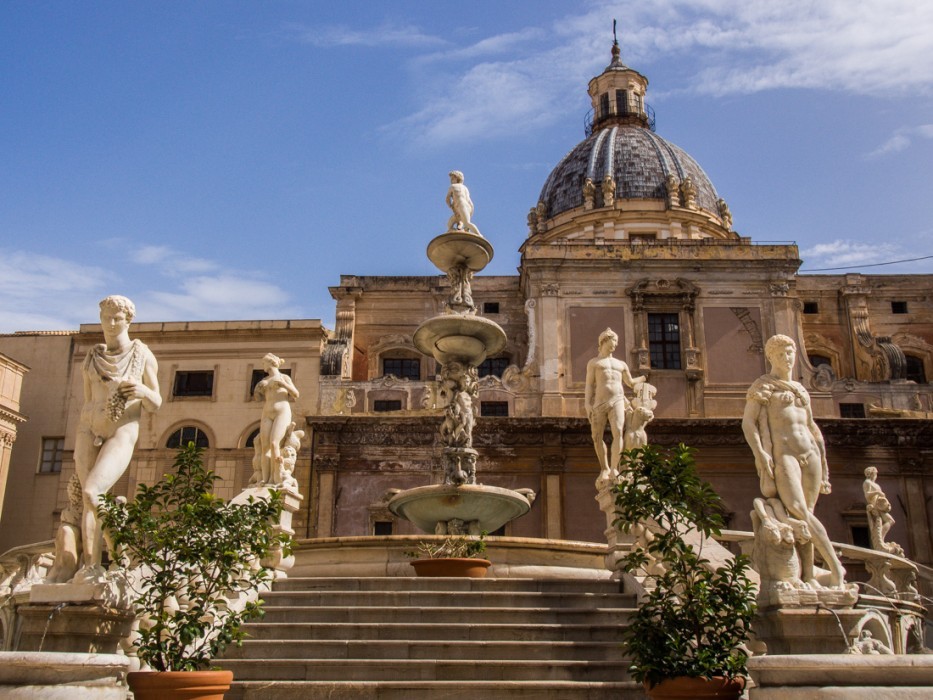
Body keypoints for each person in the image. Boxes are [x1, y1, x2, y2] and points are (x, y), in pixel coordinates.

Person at [742, 334, 846, 588]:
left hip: (810, 453)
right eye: (780, 354)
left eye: (790, 353)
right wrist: (760, 453)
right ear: (770, 357)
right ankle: (835, 567)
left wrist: (824, 461)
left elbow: (811, 426)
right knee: (799, 509)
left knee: (805, 515)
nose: (787, 358)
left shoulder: (800, 388)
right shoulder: (764, 386)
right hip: (784, 453)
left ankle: (808, 573)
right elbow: (748, 422)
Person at [73, 295, 161, 582]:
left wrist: (141, 391)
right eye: (105, 318)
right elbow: (87, 399)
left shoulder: (142, 355)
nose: (110, 324)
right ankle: (91, 567)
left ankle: (120, 548)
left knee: (92, 493)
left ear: (128, 320)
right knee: (90, 499)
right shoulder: (92, 356)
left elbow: (156, 401)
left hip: (122, 430)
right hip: (88, 426)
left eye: (116, 319)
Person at [585, 328, 646, 482]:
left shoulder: (621, 364)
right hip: (599, 403)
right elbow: (589, 385)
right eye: (613, 343)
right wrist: (587, 403)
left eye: (616, 343)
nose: (615, 346)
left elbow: (630, 383)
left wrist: (643, 378)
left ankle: (614, 469)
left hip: (617, 400)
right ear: (604, 341)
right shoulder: (594, 363)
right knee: (596, 437)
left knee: (618, 432)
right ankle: (604, 468)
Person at [254, 353, 300, 485]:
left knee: (274, 443)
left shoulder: (284, 377)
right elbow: (258, 399)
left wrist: (283, 384)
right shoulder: (265, 380)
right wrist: (258, 389)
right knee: (265, 446)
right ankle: (264, 478)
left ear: (270, 363)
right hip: (267, 412)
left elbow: (296, 394)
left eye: (263, 363)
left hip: (282, 411)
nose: (262, 365)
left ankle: (276, 477)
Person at [445, 170, 480, 235]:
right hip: (464, 207)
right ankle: (461, 228)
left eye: (452, 178)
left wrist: (450, 206)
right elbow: (470, 202)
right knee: (449, 225)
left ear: (457, 178)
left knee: (467, 223)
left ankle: (479, 235)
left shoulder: (452, 187)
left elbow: (447, 199)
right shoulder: (465, 188)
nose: (451, 181)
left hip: (461, 206)